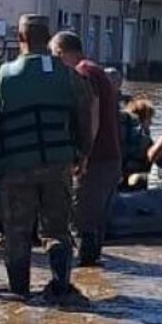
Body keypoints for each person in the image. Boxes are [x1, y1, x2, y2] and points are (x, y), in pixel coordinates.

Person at [0, 14, 94, 305]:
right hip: (57, 165)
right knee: (57, 230)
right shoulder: (69, 76)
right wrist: (82, 153)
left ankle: (20, 292)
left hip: (16, 167)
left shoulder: (2, 77)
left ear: (20, 38)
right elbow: (84, 116)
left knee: (17, 233)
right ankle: (61, 287)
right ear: (48, 37)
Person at [50, 31, 121, 267]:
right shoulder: (97, 70)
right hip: (110, 157)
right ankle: (94, 272)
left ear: (61, 52)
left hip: (96, 160)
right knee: (96, 221)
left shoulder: (83, 72)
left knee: (83, 219)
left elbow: (92, 113)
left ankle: (85, 272)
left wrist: (84, 155)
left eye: (54, 55)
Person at [120, 96, 155, 186]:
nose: (151, 123)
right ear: (141, 118)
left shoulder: (117, 133)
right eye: (149, 119)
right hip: (133, 181)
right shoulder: (146, 140)